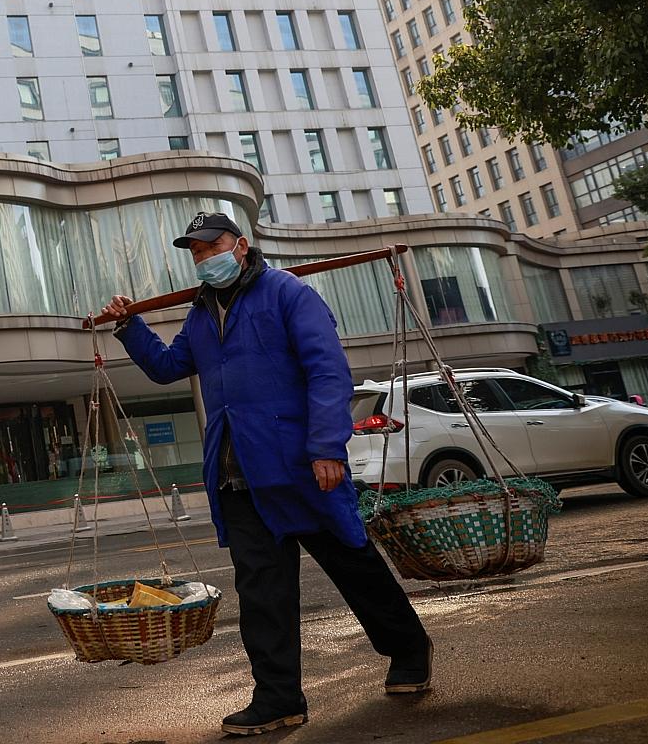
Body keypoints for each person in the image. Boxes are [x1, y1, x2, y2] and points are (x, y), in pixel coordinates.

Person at [100, 211, 432, 737]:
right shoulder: (201, 314)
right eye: (196, 252)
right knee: (262, 594)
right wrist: (128, 326)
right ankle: (278, 698)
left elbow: (327, 371)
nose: (205, 258)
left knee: (355, 569)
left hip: (302, 467)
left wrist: (326, 446)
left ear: (241, 245)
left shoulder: (287, 294)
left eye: (213, 246)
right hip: (238, 475)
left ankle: (410, 651)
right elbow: (166, 367)